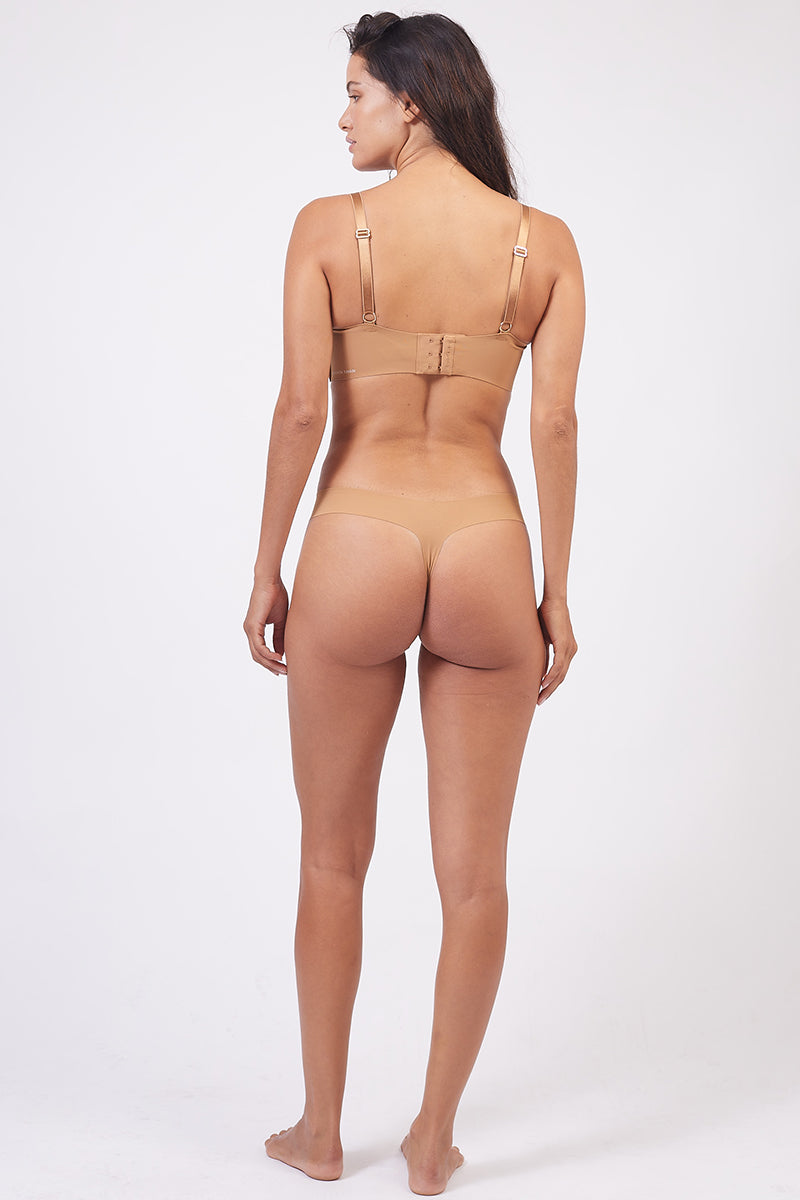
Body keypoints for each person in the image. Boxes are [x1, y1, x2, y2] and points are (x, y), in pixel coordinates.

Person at [243, 11, 584, 1195]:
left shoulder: (328, 229)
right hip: (486, 543)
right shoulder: (541, 244)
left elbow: (300, 410)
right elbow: (552, 422)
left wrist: (266, 566)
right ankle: (432, 1142)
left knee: (331, 859)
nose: (342, 116)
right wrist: (554, 592)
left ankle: (320, 1133)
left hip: (359, 535)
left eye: (355, 93)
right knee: (475, 877)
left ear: (413, 100)